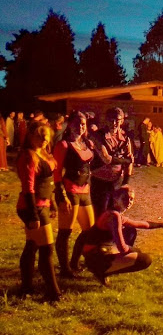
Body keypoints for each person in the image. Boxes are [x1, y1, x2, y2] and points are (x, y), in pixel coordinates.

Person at [82, 186, 163, 286]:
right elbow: (121, 247)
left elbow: (140, 224)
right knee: (145, 259)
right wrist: (131, 251)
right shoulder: (113, 216)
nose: (129, 202)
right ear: (116, 199)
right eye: (125, 198)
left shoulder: (114, 213)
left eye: (131, 199)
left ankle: (105, 269)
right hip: (95, 257)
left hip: (96, 254)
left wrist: (161, 225)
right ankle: (102, 272)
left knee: (131, 232)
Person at [16, 122, 61, 301]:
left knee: (32, 246)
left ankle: (26, 287)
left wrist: (53, 204)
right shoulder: (28, 156)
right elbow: (28, 188)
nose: (43, 140)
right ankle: (53, 293)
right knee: (47, 248)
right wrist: (33, 215)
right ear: (30, 136)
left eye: (46, 137)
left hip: (41, 205)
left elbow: (48, 184)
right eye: (39, 136)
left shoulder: (42, 154)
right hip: (31, 207)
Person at [53, 111, 96, 278]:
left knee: (89, 230)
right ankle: (64, 269)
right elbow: (56, 172)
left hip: (85, 191)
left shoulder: (86, 143)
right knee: (65, 231)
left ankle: (74, 263)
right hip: (70, 191)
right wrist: (61, 195)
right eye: (77, 123)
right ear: (69, 125)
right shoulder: (63, 145)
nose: (80, 126)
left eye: (83, 124)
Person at [91, 107, 134, 217]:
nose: (114, 123)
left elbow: (130, 160)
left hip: (117, 181)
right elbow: (106, 159)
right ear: (106, 120)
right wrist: (125, 160)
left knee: (115, 213)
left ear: (122, 120)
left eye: (117, 120)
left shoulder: (125, 138)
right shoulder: (98, 136)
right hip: (100, 181)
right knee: (100, 215)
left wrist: (126, 181)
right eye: (111, 120)